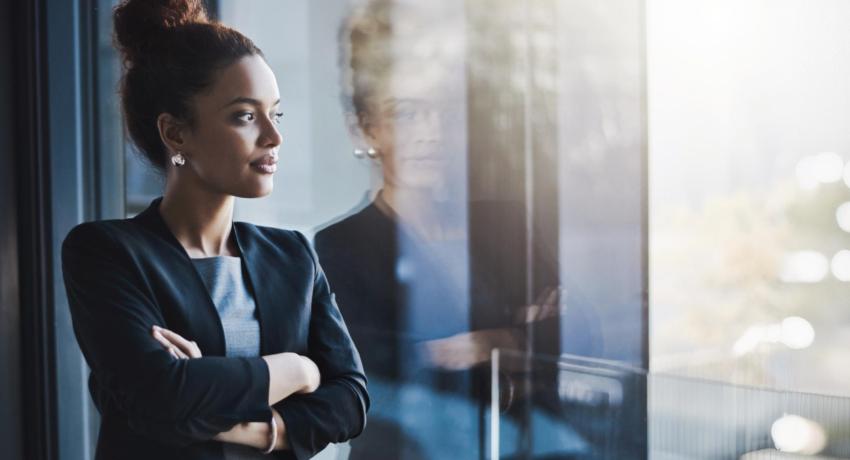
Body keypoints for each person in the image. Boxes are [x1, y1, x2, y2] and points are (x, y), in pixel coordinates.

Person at [60, 1, 368, 459]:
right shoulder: (106, 252)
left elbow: (351, 401)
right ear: (176, 134)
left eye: (275, 114)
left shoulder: (293, 256)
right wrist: (298, 369)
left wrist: (254, 426)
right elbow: (160, 396)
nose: (273, 136)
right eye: (245, 115)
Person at [315, 1, 600, 458]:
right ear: (365, 130)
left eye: (442, 113)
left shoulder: (503, 222)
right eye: (407, 114)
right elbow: (382, 377)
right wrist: (520, 344)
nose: (431, 133)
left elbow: (581, 329)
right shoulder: (340, 247)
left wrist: (488, 344)